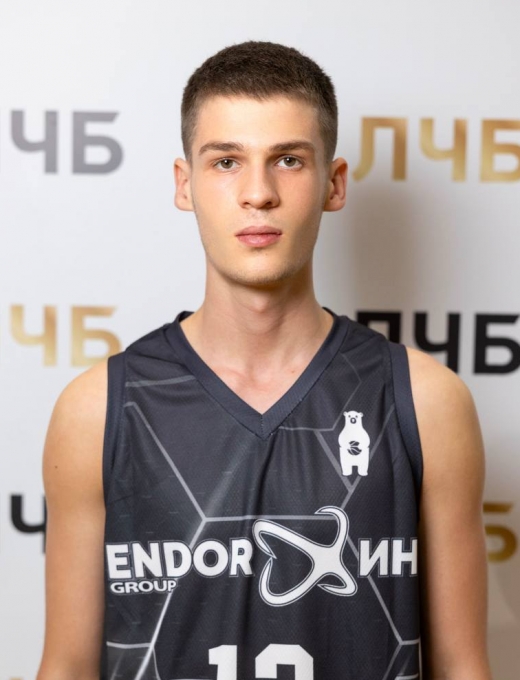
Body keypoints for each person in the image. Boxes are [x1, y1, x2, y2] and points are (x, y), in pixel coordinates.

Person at [37, 41, 492, 680]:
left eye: (288, 160)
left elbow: (464, 666)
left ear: (333, 183)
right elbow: (66, 666)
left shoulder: (427, 401)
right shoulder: (96, 409)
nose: (258, 193)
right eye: (226, 161)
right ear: (184, 184)